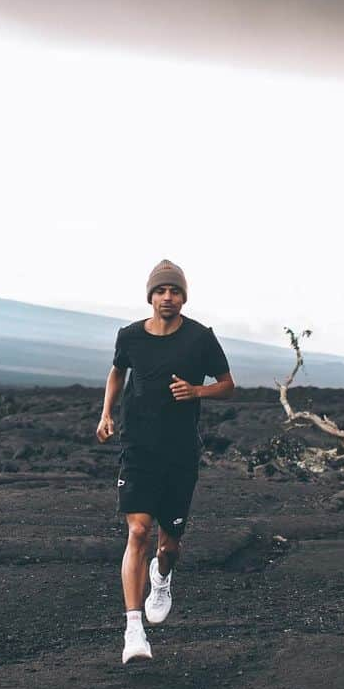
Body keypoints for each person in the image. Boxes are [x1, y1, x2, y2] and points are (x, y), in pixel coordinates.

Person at [96, 259, 235, 664]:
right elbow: (116, 374)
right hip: (137, 447)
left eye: (174, 291)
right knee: (138, 530)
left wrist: (196, 392)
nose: (167, 298)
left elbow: (227, 386)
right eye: (160, 291)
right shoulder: (130, 336)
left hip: (180, 453)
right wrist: (106, 413)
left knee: (168, 544)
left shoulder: (200, 338)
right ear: (150, 296)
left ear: (183, 296)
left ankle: (163, 577)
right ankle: (133, 630)